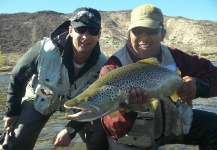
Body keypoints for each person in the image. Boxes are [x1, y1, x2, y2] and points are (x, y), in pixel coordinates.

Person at [98, 4, 217, 150]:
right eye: (138, 31)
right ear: (129, 33)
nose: (144, 37)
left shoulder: (176, 57)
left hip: (171, 127)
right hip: (133, 139)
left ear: (163, 33)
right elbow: (112, 128)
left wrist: (197, 86)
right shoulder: (113, 68)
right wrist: (128, 110)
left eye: (151, 31)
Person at [2, 7, 108, 150]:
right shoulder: (44, 49)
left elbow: (97, 103)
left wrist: (70, 131)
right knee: (16, 140)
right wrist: (12, 112)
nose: (86, 36)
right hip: (39, 98)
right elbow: (17, 77)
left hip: (79, 106)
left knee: (100, 133)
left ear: (99, 34)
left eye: (93, 31)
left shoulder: (103, 66)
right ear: (71, 31)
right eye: (80, 30)